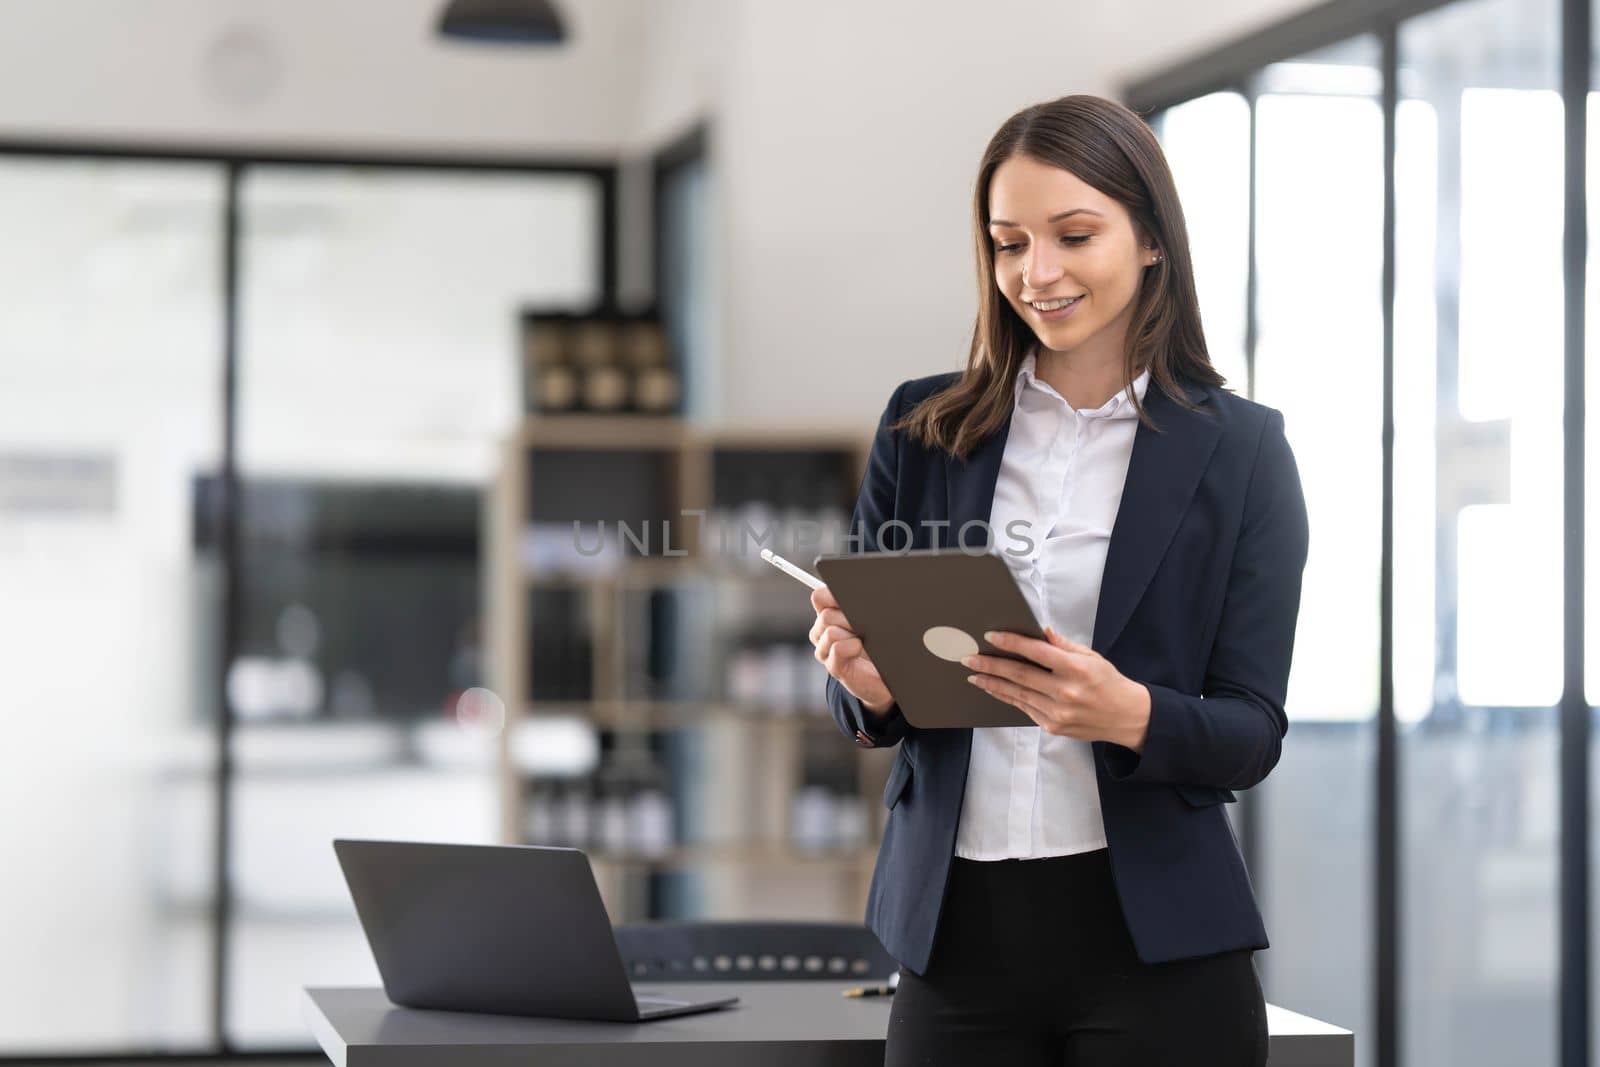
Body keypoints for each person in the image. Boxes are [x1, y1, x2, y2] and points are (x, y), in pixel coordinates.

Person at [808, 93, 1309, 1066]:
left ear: (1151, 238)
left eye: (1073, 234)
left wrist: (1127, 712)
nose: (1036, 273)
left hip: (1157, 945)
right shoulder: (922, 429)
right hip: (954, 939)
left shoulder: (1242, 451)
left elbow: (1251, 730)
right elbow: (864, 696)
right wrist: (865, 689)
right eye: (1008, 243)